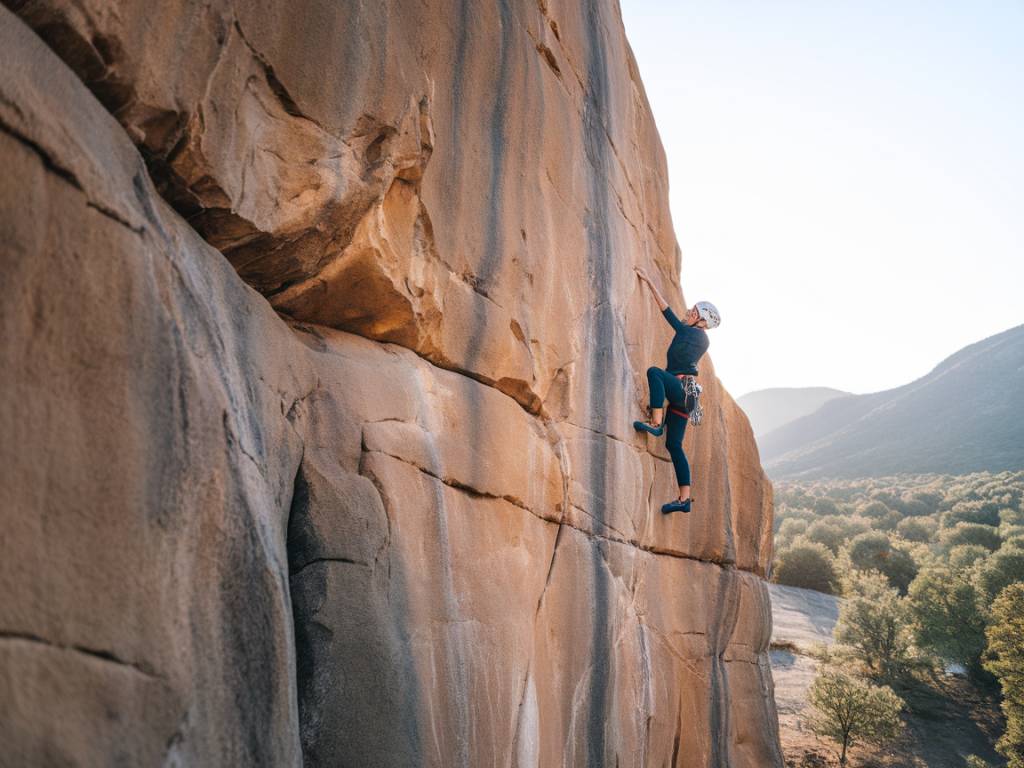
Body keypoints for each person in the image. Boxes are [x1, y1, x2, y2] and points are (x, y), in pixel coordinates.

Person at [633, 267, 721, 514]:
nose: (689, 313)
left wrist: (651, 281)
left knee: (654, 372)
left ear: (702, 322)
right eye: (692, 310)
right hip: (684, 398)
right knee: (674, 445)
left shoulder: (697, 336)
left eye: (694, 312)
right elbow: (671, 316)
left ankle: (656, 422)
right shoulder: (692, 333)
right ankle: (684, 500)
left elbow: (667, 313)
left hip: (683, 390)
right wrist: (650, 282)